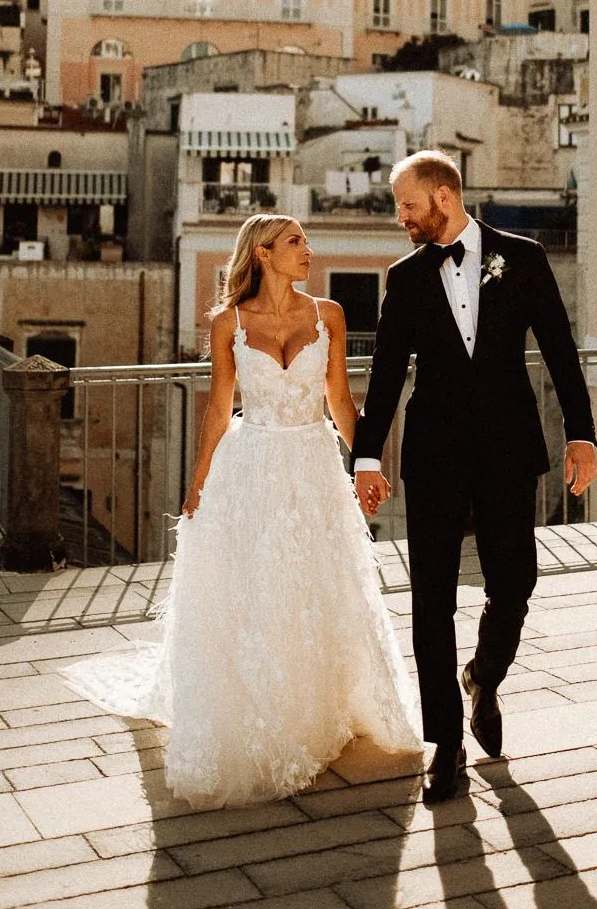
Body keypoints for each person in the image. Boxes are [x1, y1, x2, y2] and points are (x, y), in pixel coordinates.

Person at [62, 214, 422, 809]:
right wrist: (199, 482)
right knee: (257, 588)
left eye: (305, 241)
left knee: (316, 586)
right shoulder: (226, 323)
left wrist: (366, 465)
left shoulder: (328, 314)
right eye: (296, 243)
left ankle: (318, 707)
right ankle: (259, 710)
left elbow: (340, 400)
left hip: (312, 465)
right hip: (250, 466)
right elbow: (219, 406)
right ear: (263, 252)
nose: (308, 251)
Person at [353, 151, 597, 806]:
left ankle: (484, 677)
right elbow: (382, 377)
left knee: (515, 580)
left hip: (507, 449)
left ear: (441, 195)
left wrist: (581, 433)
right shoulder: (403, 278)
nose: (400, 217)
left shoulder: (522, 256)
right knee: (431, 599)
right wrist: (366, 456)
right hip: (432, 455)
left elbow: (558, 348)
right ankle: (446, 748)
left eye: (407, 204)